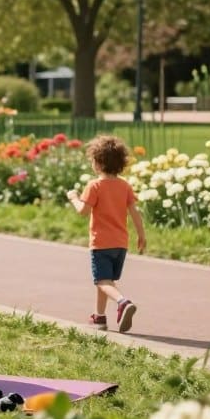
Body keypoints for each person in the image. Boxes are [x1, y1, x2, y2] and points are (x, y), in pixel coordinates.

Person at [66, 135, 146, 333]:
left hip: (101, 243)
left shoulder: (95, 186)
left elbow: (82, 211)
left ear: (99, 162)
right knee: (106, 281)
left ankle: (123, 301)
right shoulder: (124, 186)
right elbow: (135, 212)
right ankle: (99, 317)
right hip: (121, 244)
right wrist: (141, 235)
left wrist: (73, 197)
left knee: (102, 281)